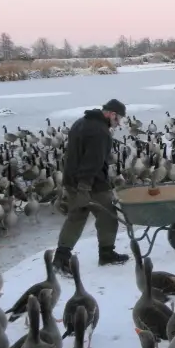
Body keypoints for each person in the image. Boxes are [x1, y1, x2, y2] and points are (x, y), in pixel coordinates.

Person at [53, 99, 130, 276]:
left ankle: (60, 259)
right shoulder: (100, 132)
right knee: (108, 217)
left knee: (75, 217)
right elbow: (92, 162)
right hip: (91, 184)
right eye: (118, 120)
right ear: (112, 114)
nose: (118, 124)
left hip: (72, 179)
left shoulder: (81, 122)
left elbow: (77, 153)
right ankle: (106, 254)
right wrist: (84, 188)